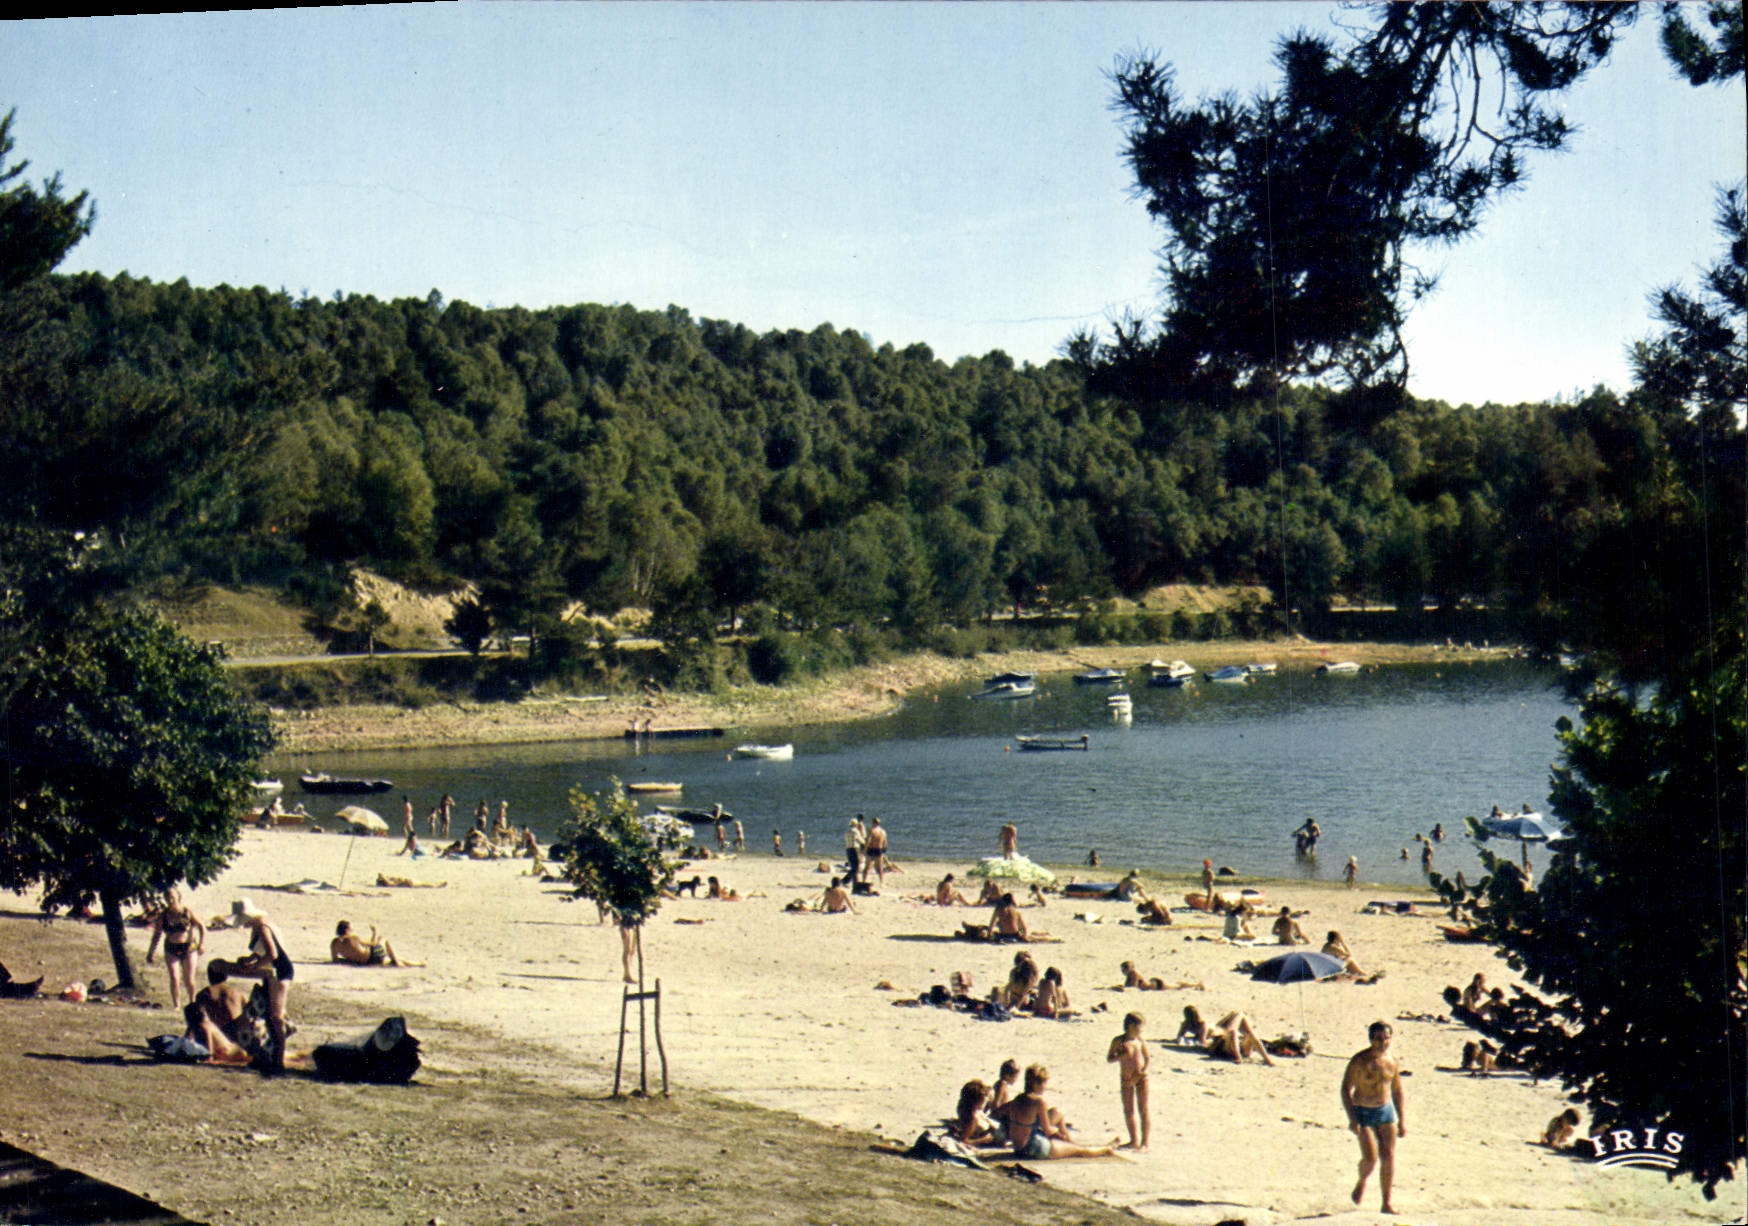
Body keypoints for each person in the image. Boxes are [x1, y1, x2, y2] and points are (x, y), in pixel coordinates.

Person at [1342, 1020, 1406, 1214]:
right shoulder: (1360, 1061)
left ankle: (1386, 1203)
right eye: (1378, 1038)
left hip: (1385, 1111)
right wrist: (1352, 1118)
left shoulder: (1392, 1061)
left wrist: (1402, 1119)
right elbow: (1345, 1089)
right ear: (1371, 1039)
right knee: (1370, 1158)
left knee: (1388, 1157)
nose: (1382, 1042)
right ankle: (1362, 1181)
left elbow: (1397, 1090)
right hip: (1363, 1111)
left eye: (1386, 1038)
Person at [992, 1064, 1120, 1160]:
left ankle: (1072, 1143)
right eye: (1044, 1084)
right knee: (1081, 1151)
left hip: (1018, 1149)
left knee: (1058, 1116)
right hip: (1034, 1149)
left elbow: (998, 1112)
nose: (1045, 1087)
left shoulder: (1018, 1099)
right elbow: (1048, 1130)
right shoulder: (1039, 1102)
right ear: (1036, 1084)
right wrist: (1060, 1135)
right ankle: (1107, 1149)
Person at [229, 899, 292, 1074]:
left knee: (275, 1017)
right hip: (272, 971)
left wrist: (253, 966)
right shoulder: (261, 926)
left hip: (279, 971)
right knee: (268, 1016)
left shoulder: (263, 928)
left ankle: (278, 1061)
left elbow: (272, 954)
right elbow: (262, 953)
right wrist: (249, 960)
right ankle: (269, 1057)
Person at [185, 960, 258, 1066]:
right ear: (226, 975)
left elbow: (197, 1017)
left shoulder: (204, 994)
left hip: (222, 1036)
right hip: (241, 1036)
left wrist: (187, 1038)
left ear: (209, 975)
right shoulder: (237, 992)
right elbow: (251, 1013)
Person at [145, 887, 205, 1010]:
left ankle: (192, 1002)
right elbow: (157, 934)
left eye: (172, 896)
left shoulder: (187, 912)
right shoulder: (164, 915)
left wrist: (201, 944)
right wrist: (151, 952)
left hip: (189, 948)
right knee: (174, 977)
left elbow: (202, 927)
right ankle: (176, 1005)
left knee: (189, 979)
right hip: (171, 948)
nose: (170, 899)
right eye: (167, 897)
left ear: (178, 896)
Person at [1107, 1011, 1150, 1150]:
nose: (1141, 1030)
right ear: (1131, 1026)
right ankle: (1134, 1140)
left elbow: (1147, 1059)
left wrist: (1142, 1072)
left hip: (1140, 1078)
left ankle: (1145, 1143)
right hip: (1126, 1078)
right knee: (1128, 1110)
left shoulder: (1139, 1041)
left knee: (1143, 1109)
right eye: (1139, 1027)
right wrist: (1121, 1056)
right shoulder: (1118, 1041)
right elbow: (1109, 1058)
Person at [330, 919, 423, 967]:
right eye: (351, 928)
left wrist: (350, 960)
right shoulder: (354, 938)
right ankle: (398, 962)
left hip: (365, 962)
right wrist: (375, 932)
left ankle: (417, 963)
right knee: (384, 938)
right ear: (347, 930)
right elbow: (374, 943)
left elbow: (335, 959)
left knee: (392, 960)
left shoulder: (334, 943)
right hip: (373, 956)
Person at [1208, 1011, 1275, 1066]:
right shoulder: (1222, 1031)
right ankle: (1267, 1059)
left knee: (1247, 1032)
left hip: (1231, 1049)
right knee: (1242, 1028)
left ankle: (1238, 1056)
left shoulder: (1221, 1030)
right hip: (1229, 1049)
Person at [951, 1079, 999, 1146]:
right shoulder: (973, 1118)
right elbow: (963, 1140)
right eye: (983, 1101)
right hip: (990, 1139)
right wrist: (983, 1140)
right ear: (976, 1102)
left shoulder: (972, 1109)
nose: (986, 1102)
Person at [862, 817, 889, 885]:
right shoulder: (883, 831)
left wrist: (865, 850)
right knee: (879, 868)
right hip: (879, 849)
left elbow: (868, 840)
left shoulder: (871, 830)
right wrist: (884, 850)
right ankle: (881, 883)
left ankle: (864, 881)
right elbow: (885, 842)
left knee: (867, 867)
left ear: (873, 823)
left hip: (871, 849)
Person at [845, 814, 865, 882]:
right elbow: (861, 841)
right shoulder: (856, 831)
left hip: (848, 849)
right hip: (854, 849)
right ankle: (845, 881)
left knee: (853, 866)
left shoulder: (847, 832)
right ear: (856, 824)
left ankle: (855, 881)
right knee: (855, 868)